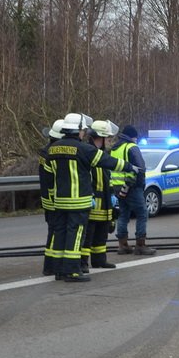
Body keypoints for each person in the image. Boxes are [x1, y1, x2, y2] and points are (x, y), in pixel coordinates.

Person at [44, 113, 124, 282]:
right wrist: (131, 167)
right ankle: (73, 271)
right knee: (76, 235)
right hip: (78, 201)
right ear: (78, 130)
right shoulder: (84, 149)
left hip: (60, 201)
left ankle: (59, 270)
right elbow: (109, 162)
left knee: (61, 234)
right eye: (83, 130)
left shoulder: (53, 148)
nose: (84, 133)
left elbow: (50, 176)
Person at [80, 120, 118, 272]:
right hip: (93, 201)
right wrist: (89, 196)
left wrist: (113, 195)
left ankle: (99, 260)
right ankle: (82, 263)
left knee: (102, 234)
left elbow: (108, 178)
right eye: (107, 138)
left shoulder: (103, 153)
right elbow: (86, 178)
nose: (109, 141)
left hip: (105, 202)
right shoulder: (89, 153)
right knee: (88, 235)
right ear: (99, 137)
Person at [111, 125, 155, 255]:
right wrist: (141, 184)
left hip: (118, 187)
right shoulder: (132, 147)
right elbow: (140, 167)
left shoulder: (114, 148)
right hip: (132, 186)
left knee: (123, 214)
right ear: (133, 137)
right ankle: (140, 245)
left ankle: (122, 245)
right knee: (142, 213)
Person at [39, 118, 63, 276]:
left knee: (52, 232)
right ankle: (51, 267)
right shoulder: (53, 153)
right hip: (55, 199)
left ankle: (49, 266)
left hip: (47, 198)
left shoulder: (46, 151)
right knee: (56, 233)